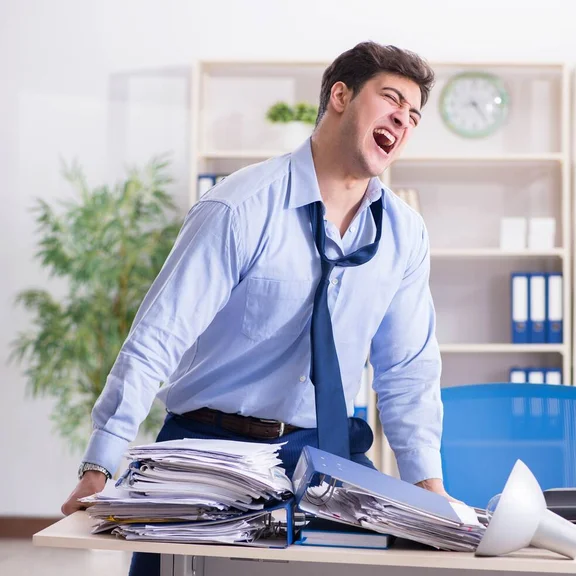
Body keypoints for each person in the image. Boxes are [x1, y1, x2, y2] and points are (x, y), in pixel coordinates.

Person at [61, 41, 451, 575]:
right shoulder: (239, 206)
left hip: (324, 453)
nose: (402, 121)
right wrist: (100, 462)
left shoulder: (404, 235)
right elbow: (159, 334)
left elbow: (407, 371)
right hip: (207, 450)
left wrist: (432, 498)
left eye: (413, 116)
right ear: (340, 96)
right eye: (390, 100)